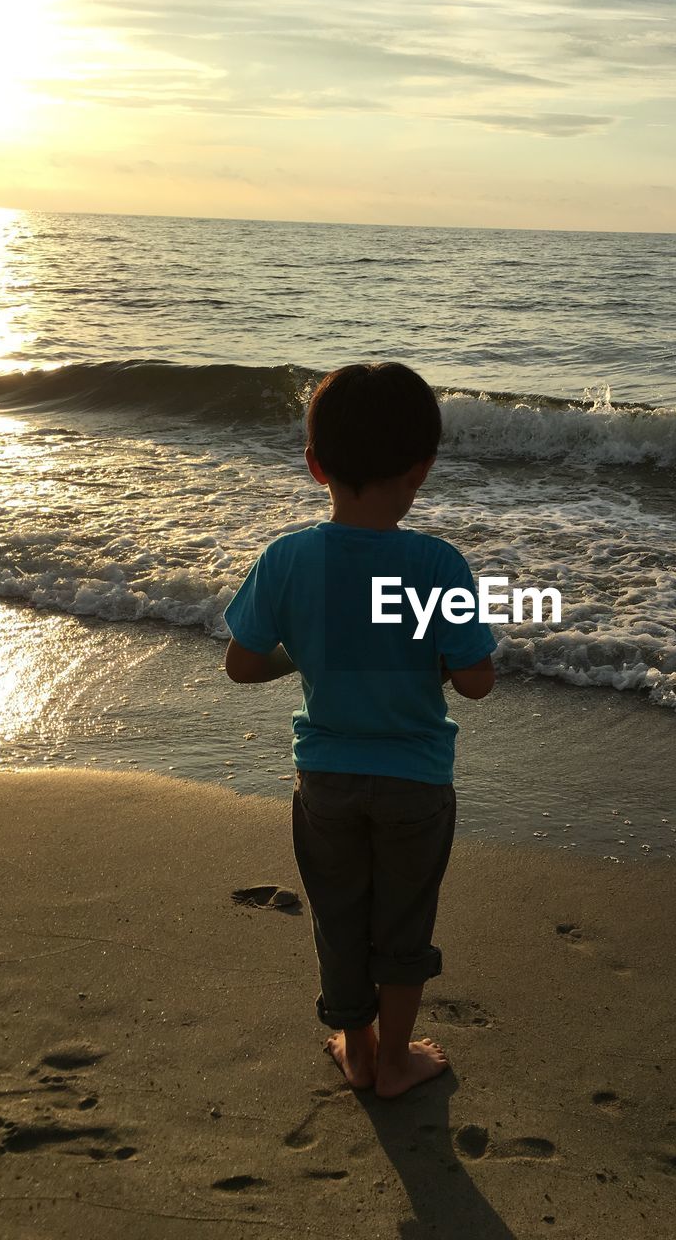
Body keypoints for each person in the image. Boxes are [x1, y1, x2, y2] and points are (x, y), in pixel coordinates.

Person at [223, 362, 496, 1099]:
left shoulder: (286, 559)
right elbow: (475, 680)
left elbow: (242, 665)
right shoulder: (438, 566)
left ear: (315, 465)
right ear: (420, 472)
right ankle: (397, 1060)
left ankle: (357, 1044)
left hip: (326, 781)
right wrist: (434, 658)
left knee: (339, 919)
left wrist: (307, 654)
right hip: (415, 781)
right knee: (402, 924)